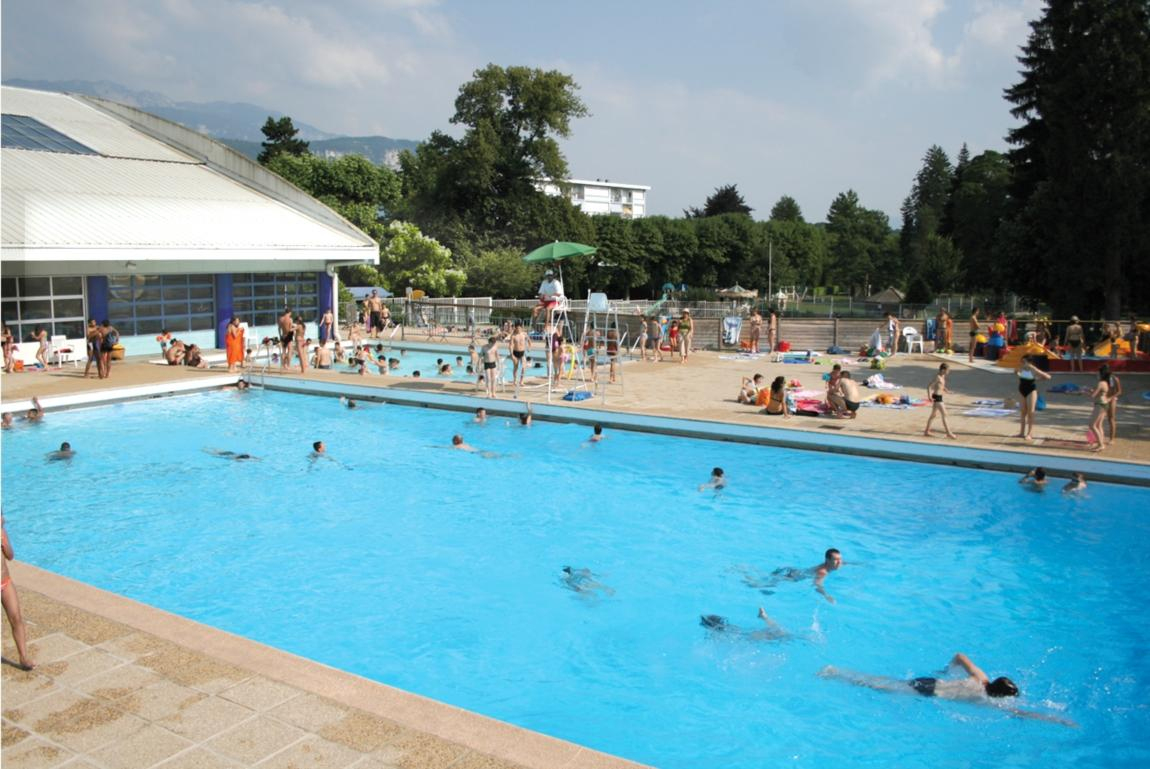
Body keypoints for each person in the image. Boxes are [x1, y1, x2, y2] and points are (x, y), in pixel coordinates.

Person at [819, 653, 1076, 726]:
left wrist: (946, 670)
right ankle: (835, 674)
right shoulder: (986, 700)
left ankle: (839, 672)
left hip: (930, 682)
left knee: (885, 681)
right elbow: (1021, 713)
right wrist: (1054, 719)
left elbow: (960, 656)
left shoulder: (981, 678)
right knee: (878, 687)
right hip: (927, 692)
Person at [2, 515, 35, 670]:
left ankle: (23, 657)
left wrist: (4, 545)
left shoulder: (2, 532)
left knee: (16, 618)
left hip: (5, 582)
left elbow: (10, 556)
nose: (3, 518)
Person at [700, 607, 791, 641]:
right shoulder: (729, 629)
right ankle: (764, 617)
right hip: (750, 634)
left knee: (778, 633)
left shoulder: (726, 633)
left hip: (749, 635)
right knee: (779, 632)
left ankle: (764, 617)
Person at [1015, 358, 1052, 440]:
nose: (1023, 363)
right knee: (1023, 412)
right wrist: (1018, 371)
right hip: (1021, 390)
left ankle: (1030, 433)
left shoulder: (1033, 369)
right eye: (1022, 361)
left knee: (1030, 412)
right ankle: (1021, 432)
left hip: (1031, 391)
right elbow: (1015, 372)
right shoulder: (1021, 368)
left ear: (1029, 362)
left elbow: (1048, 377)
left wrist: (1037, 377)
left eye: (1024, 362)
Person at [923, 363, 957, 439]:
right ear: (943, 370)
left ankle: (926, 431)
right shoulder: (937, 377)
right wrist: (929, 397)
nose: (948, 372)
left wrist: (947, 391)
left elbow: (942, 385)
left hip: (939, 397)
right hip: (937, 397)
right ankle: (949, 433)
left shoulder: (943, 376)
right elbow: (929, 386)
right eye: (948, 370)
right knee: (945, 414)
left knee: (933, 415)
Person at [1085, 366, 1112, 452]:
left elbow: (1093, 395)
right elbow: (1100, 392)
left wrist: (1085, 392)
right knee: (1099, 425)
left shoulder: (1100, 383)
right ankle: (1100, 442)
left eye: (1098, 373)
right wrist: (1091, 390)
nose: (1097, 374)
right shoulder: (1106, 383)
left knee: (1092, 425)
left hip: (1099, 405)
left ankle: (1101, 444)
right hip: (1104, 404)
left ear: (1101, 374)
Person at [1100, 363, 1122, 442]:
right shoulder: (1102, 378)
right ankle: (1100, 437)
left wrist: (1110, 398)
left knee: (1111, 418)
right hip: (1103, 399)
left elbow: (1119, 391)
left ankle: (1111, 439)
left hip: (1111, 399)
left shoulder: (1114, 379)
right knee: (1099, 419)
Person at [509, 322, 530, 386]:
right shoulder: (513, 336)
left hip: (522, 352)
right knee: (516, 367)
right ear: (515, 328)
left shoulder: (524, 334)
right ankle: (515, 381)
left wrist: (529, 347)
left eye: (519, 328)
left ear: (521, 328)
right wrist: (511, 354)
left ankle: (521, 381)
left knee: (524, 367)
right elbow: (511, 345)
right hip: (515, 352)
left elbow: (529, 341)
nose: (518, 329)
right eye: (517, 328)